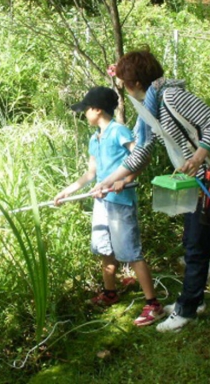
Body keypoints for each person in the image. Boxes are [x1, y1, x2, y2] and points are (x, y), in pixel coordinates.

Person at [94, 50, 210, 332]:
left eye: (126, 84)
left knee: (195, 244)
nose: (124, 91)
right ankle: (193, 300)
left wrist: (199, 156)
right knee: (194, 243)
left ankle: (187, 310)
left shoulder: (171, 97)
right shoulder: (150, 109)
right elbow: (140, 153)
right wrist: (107, 181)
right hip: (197, 181)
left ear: (137, 83)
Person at [54, 86, 166, 327]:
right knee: (104, 247)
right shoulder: (94, 138)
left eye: (85, 109)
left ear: (97, 109)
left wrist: (125, 180)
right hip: (101, 202)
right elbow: (90, 173)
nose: (84, 114)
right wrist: (68, 190)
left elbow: (140, 156)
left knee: (130, 250)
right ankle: (110, 292)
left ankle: (153, 305)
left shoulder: (118, 131)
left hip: (120, 202)